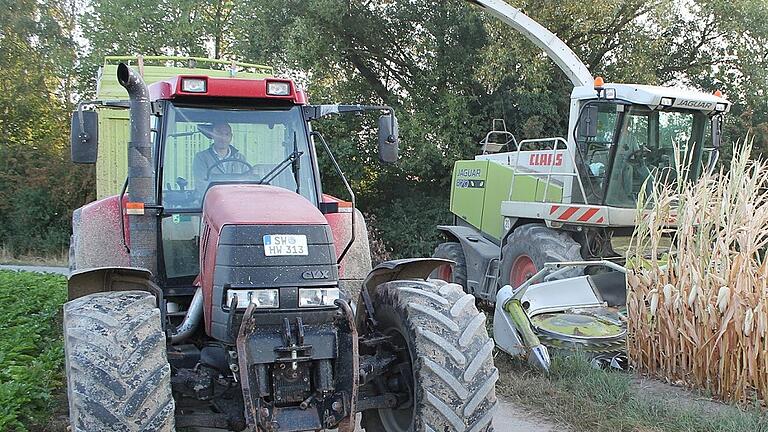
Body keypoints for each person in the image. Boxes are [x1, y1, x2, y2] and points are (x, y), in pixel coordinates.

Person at [192, 122, 250, 193]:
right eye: (219, 134)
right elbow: (201, 185)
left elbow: (248, 182)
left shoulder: (240, 158)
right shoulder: (201, 158)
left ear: (231, 137)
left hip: (237, 200)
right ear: (212, 135)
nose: (223, 137)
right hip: (211, 201)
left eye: (227, 134)